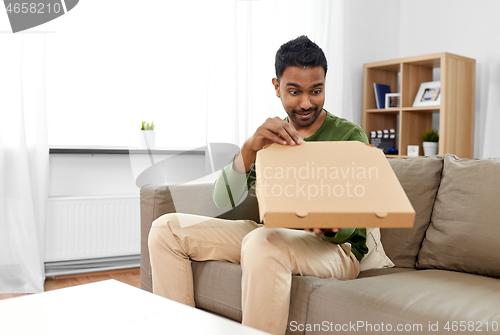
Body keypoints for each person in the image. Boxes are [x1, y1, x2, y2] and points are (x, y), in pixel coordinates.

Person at [148, 35, 369, 335]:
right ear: (277, 87)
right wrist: (250, 148)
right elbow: (221, 199)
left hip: (337, 250)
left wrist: (315, 216)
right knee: (166, 230)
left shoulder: (349, 136)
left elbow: (349, 227)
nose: (306, 102)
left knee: (262, 243)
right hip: (273, 235)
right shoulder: (272, 135)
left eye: (316, 91)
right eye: (294, 91)